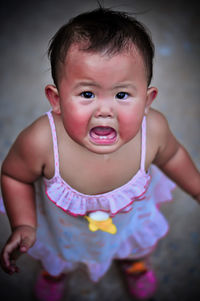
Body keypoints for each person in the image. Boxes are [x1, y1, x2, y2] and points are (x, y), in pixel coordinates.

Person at [0, 7, 200, 301]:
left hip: (127, 221)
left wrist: (197, 189)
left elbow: (172, 157)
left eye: (122, 95)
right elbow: (13, 176)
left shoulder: (153, 130)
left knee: (134, 244)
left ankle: (132, 263)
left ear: (147, 100)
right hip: (65, 230)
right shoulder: (41, 141)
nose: (104, 110)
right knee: (58, 255)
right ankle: (55, 272)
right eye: (87, 94)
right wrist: (24, 223)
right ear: (56, 100)